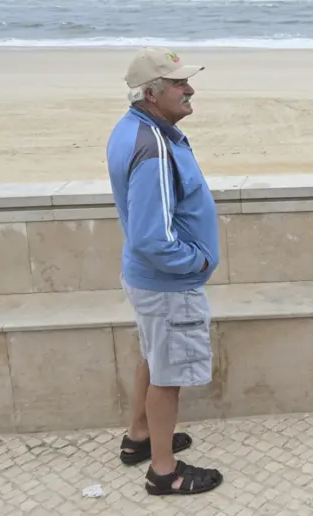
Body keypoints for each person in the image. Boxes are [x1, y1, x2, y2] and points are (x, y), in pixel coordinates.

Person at [106, 47, 223, 496]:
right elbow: (152, 238)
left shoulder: (135, 128)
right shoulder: (152, 146)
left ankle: (139, 437)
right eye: (179, 83)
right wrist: (198, 260)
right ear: (152, 94)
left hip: (147, 280)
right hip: (167, 283)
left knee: (155, 358)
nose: (190, 89)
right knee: (167, 374)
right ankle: (163, 471)